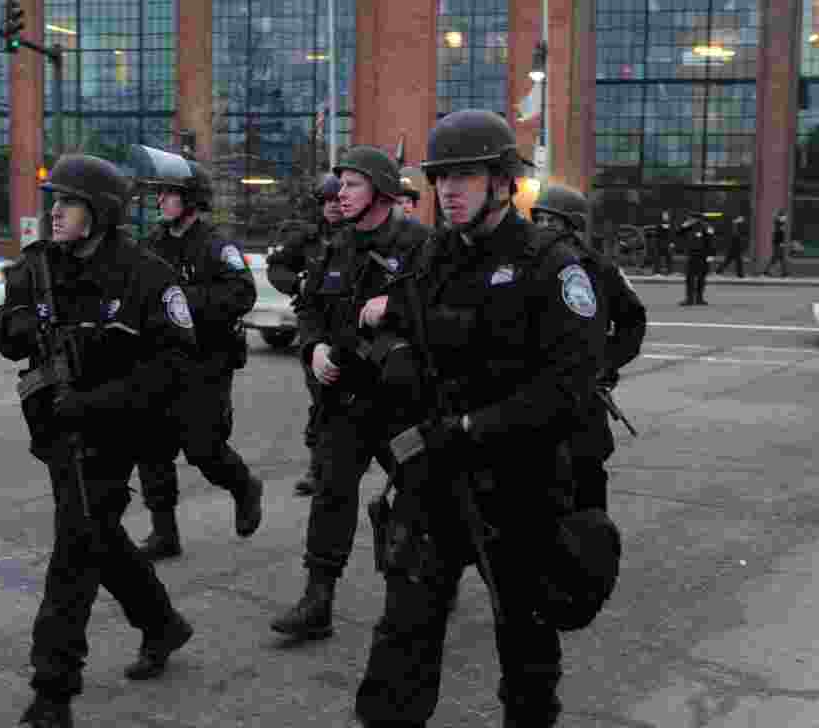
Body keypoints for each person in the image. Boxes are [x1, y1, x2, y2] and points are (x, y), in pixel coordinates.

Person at [352, 109, 614, 728]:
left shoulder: (551, 264)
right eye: (441, 177)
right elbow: (390, 326)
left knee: (525, 644)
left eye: (465, 176)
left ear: (501, 181)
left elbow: (569, 385)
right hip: (435, 483)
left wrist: (473, 428)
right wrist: (391, 357)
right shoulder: (435, 254)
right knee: (402, 638)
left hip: (520, 486)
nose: (448, 190)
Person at [0, 154, 197, 728]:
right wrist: (22, 326)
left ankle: (52, 691)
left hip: (113, 435)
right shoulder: (38, 268)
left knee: (74, 553)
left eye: (68, 203)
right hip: (56, 432)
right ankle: (161, 624)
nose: (55, 213)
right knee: (98, 538)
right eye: (53, 201)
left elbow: (175, 366)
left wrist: (98, 398)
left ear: (100, 213)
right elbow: (6, 336)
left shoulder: (145, 276)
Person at [269, 145, 430, 640]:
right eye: (341, 184)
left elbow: (452, 307)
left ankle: (434, 584)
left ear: (380, 191)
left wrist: (398, 302)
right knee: (332, 494)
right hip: (346, 402)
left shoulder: (420, 243)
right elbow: (310, 307)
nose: (341, 192)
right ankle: (318, 600)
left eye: (352, 184)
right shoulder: (335, 246)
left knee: (423, 492)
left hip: (403, 406)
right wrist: (314, 347)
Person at [131, 146, 263, 561]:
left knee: (204, 448)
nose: (160, 200)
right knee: (151, 447)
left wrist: (182, 300)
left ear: (190, 199)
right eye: (160, 193)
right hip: (159, 361)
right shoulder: (152, 242)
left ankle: (244, 486)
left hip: (205, 362)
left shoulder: (215, 244)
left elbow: (242, 293)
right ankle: (164, 532)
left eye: (169, 193)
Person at [530, 183, 647, 512]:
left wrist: (604, 363)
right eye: (538, 220)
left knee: (587, 506)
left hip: (583, 406)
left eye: (552, 222)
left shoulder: (599, 269)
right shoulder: (523, 266)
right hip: (531, 403)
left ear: (572, 226)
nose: (543, 229)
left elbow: (633, 321)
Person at [266, 173, 345, 497]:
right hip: (315, 327)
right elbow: (277, 269)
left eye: (338, 200)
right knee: (321, 397)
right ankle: (318, 467)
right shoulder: (307, 238)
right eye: (327, 201)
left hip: (351, 327)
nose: (334, 207)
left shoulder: (360, 235)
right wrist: (297, 284)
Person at [679, 212, 716, 305]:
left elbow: (711, 241)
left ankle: (699, 299)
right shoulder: (688, 226)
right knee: (690, 278)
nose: (689, 220)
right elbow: (678, 234)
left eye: (691, 218)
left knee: (701, 277)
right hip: (692, 255)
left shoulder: (706, 227)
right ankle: (690, 299)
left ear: (697, 219)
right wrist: (683, 226)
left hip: (703, 256)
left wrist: (711, 255)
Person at [763, 209, 789, 277]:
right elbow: (779, 234)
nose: (785, 217)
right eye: (784, 216)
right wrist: (781, 243)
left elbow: (779, 233)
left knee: (780, 258)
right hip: (778, 243)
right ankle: (766, 271)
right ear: (781, 216)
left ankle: (784, 273)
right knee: (776, 258)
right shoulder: (779, 223)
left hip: (778, 243)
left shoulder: (779, 223)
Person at [653, 209, 675, 275]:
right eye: (664, 215)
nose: (665, 217)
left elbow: (672, 235)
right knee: (657, 258)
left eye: (666, 215)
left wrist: (672, 242)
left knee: (669, 258)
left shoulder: (671, 225)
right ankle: (657, 272)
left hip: (668, 244)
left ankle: (670, 271)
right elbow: (657, 235)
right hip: (660, 243)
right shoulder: (659, 225)